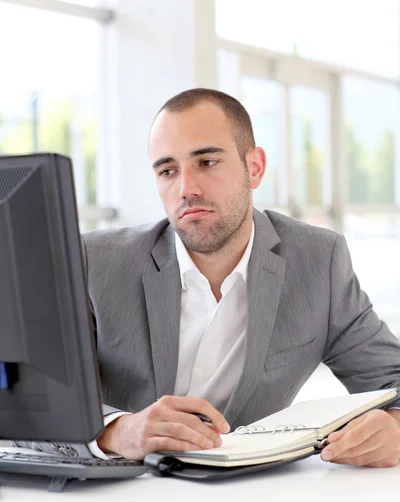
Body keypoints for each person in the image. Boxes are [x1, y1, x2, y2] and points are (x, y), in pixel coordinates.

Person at [25, 88, 400, 467]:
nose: (186, 189)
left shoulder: (318, 262)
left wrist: (396, 428)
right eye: (168, 171)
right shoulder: (94, 261)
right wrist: (119, 431)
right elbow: (30, 406)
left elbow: (392, 379)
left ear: (254, 167)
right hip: (122, 500)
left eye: (206, 162)